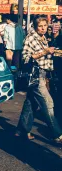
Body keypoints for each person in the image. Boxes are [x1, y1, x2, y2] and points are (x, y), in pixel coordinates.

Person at [16, 16, 62, 144]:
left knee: (31, 103)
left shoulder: (43, 38)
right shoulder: (31, 38)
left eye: (44, 26)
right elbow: (25, 58)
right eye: (40, 26)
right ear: (35, 27)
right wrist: (44, 51)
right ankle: (57, 133)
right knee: (48, 103)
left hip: (43, 74)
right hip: (35, 74)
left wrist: (54, 52)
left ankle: (22, 130)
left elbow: (45, 55)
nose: (43, 28)